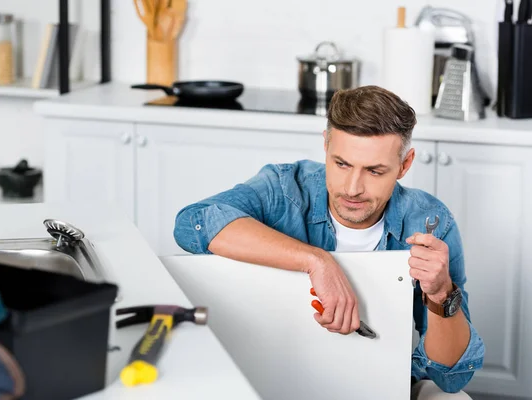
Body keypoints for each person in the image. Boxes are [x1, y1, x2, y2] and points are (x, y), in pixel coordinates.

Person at [172, 85, 485, 399]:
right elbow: (194, 222)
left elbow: (451, 377)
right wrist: (316, 261)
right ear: (326, 146)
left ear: (405, 165)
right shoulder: (283, 188)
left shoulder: (430, 222)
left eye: (374, 171)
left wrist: (441, 293)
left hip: (380, 382)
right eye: (342, 164)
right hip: (275, 374)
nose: (352, 188)